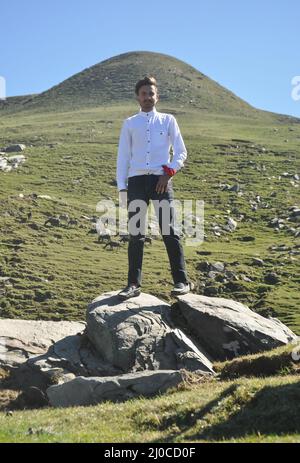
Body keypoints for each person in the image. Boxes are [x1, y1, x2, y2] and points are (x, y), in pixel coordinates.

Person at [116, 76, 193, 300]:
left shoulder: (169, 120)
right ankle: (133, 284)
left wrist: (167, 173)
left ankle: (181, 281)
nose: (148, 97)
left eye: (151, 93)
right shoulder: (130, 123)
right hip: (136, 183)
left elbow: (181, 152)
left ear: (156, 96)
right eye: (143, 94)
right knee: (136, 235)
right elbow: (123, 157)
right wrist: (122, 188)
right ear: (137, 97)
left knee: (170, 231)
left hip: (162, 181)